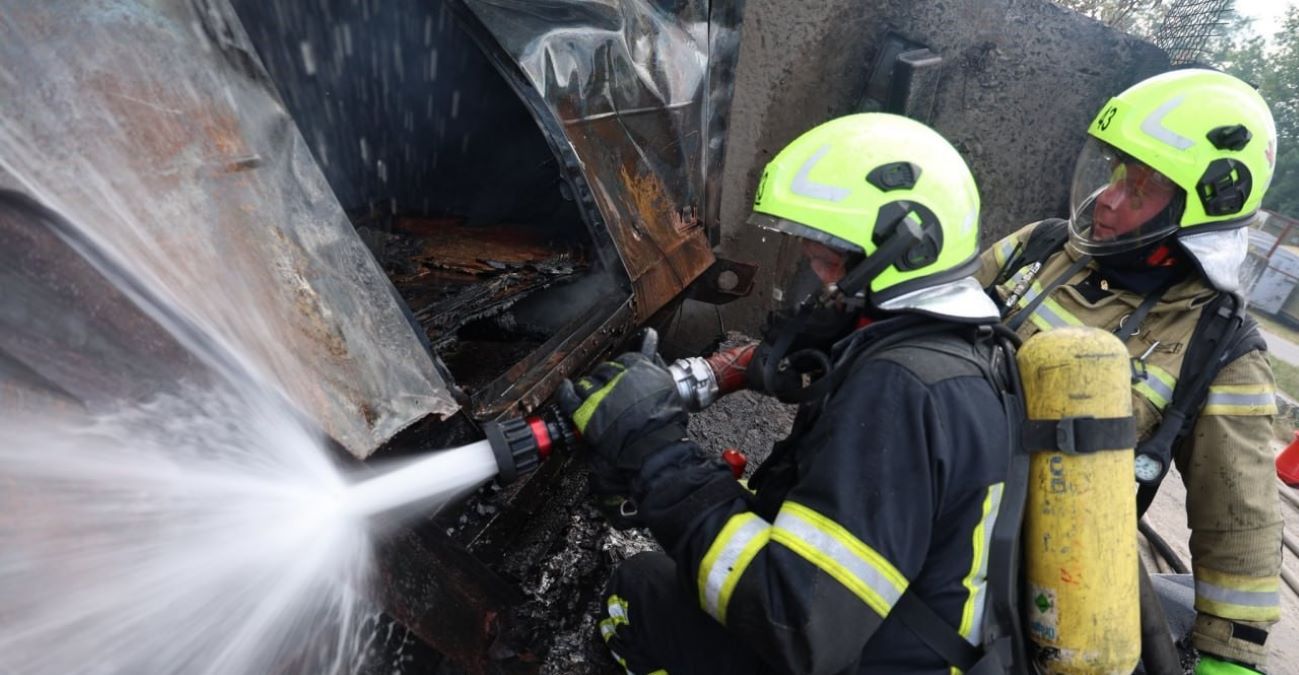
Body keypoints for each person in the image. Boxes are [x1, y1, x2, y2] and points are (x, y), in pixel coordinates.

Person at [559, 113, 1023, 674]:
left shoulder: (901, 391)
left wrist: (657, 455)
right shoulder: (959, 351)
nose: (813, 272)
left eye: (827, 257)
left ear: (903, 250)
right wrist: (664, 483)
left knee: (637, 598)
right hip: (912, 642)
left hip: (837, 648)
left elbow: (795, 624)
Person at [976, 69, 1282, 675]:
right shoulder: (1039, 247)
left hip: (1032, 576)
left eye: (1141, 189)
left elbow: (1239, 518)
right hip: (925, 496)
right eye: (1116, 173)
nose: (1110, 200)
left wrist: (1231, 658)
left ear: (1206, 204)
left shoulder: (1219, 347)